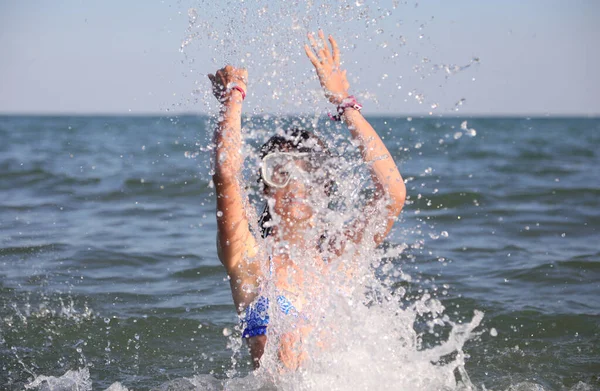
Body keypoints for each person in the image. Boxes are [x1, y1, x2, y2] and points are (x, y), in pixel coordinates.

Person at [207, 30, 406, 369]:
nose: (298, 183)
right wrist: (233, 99)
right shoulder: (249, 259)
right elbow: (226, 175)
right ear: (267, 186)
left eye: (310, 171)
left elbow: (393, 194)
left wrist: (344, 103)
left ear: (326, 186)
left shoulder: (339, 257)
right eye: (282, 171)